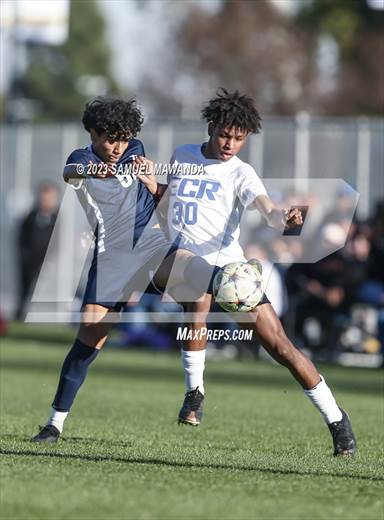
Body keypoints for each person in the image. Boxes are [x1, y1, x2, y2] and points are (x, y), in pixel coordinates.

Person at [150, 89, 357, 457]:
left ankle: (338, 421)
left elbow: (266, 208)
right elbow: (168, 200)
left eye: (239, 139)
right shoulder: (181, 156)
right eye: (225, 135)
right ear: (211, 127)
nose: (230, 144)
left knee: (280, 346)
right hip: (184, 262)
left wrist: (284, 218)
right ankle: (194, 394)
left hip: (230, 272)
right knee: (192, 288)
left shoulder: (242, 173)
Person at [32, 97, 220, 443]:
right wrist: (93, 170)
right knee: (88, 340)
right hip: (113, 260)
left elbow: (137, 161)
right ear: (92, 133)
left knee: (199, 280)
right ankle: (54, 424)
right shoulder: (82, 158)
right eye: (109, 139)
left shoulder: (134, 148)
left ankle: (195, 391)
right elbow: (71, 171)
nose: (116, 147)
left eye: (122, 138)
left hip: (152, 249)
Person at [16, 182, 59, 320]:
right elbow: (22, 240)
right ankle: (21, 315)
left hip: (51, 263)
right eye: (44, 197)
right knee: (26, 290)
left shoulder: (59, 219)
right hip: (31, 263)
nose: (46, 200)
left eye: (50, 197)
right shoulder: (29, 217)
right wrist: (26, 259)